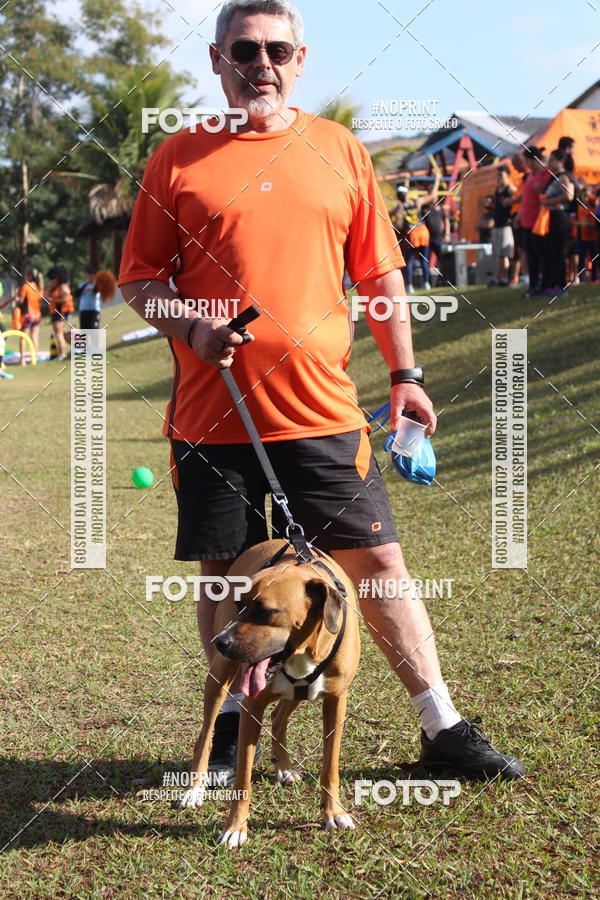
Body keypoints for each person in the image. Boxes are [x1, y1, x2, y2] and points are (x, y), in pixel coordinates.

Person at [118, 0, 525, 785]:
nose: (261, 64)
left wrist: (406, 377)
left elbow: (380, 275)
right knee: (225, 574)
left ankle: (441, 726)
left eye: (277, 50)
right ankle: (230, 726)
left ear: (300, 60)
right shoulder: (178, 157)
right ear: (217, 59)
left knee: (377, 563)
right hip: (214, 416)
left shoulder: (339, 150)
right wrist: (194, 327)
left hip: (321, 411)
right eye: (245, 49)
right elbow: (140, 280)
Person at [539, 149, 575, 295]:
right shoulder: (554, 177)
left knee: (558, 253)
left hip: (560, 218)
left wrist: (548, 202)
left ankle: (561, 287)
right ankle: (553, 285)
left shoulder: (563, 176)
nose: (549, 163)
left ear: (561, 161)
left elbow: (569, 195)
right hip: (553, 218)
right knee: (552, 252)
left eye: (552, 160)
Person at [519, 146, 551, 298]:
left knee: (540, 256)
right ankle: (533, 286)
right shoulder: (530, 176)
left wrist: (542, 192)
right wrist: (518, 215)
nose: (525, 165)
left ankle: (543, 285)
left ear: (533, 160)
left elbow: (549, 196)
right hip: (526, 223)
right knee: (531, 256)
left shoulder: (546, 174)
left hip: (538, 223)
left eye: (526, 161)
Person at [394, 183, 431, 294]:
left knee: (409, 260)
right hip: (423, 231)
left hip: (412, 234)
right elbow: (432, 196)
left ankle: (410, 286)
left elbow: (397, 222)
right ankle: (426, 283)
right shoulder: (417, 202)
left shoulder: (400, 207)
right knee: (424, 259)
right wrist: (438, 180)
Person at [490, 165, 517, 286]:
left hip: (506, 225)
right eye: (498, 175)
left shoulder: (510, 188)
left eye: (501, 175)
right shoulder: (496, 190)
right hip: (496, 224)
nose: (499, 177)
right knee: (497, 254)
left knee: (505, 254)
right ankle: (498, 277)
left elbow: (517, 200)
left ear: (507, 175)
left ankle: (505, 278)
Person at [14, 270, 43, 363]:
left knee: (23, 337)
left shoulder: (26, 286)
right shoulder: (39, 287)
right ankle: (33, 359)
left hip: (28, 314)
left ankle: (22, 360)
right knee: (34, 336)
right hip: (37, 315)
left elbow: (21, 301)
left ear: (30, 276)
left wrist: (16, 296)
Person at [46, 266, 73, 360]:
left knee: (59, 334)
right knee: (61, 334)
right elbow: (46, 295)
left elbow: (65, 299)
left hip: (60, 312)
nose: (52, 280)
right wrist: (51, 286)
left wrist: (53, 300)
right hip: (55, 313)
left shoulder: (63, 287)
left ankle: (62, 355)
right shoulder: (55, 287)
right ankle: (63, 353)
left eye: (53, 278)